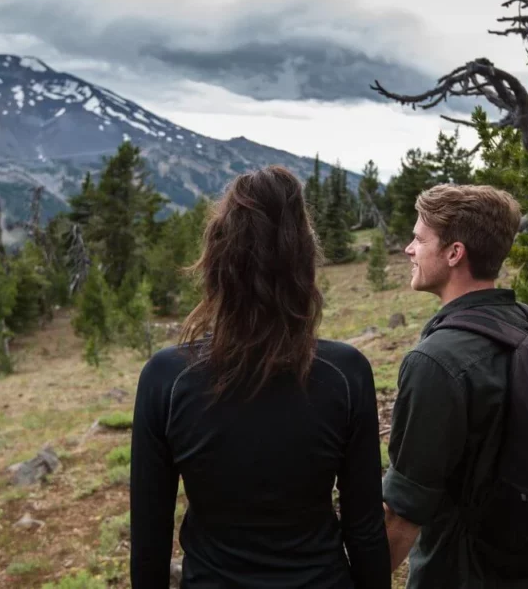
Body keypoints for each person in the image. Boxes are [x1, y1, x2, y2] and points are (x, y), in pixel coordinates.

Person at [130, 165, 391, 589]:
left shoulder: (168, 377)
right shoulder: (345, 373)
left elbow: (149, 539)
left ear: (217, 261)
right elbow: (364, 528)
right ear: (304, 262)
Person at [382, 183, 528, 589]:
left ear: (454, 253)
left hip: (455, 572)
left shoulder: (437, 361)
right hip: (516, 566)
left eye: (419, 239)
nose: (408, 249)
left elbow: (404, 513)